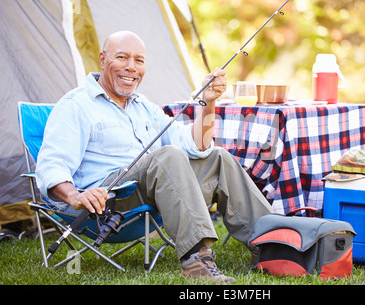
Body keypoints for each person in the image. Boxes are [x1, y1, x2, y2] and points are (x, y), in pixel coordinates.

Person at [36, 31, 274, 283]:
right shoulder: (76, 105)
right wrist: (75, 195)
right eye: (122, 57)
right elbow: (51, 165)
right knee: (167, 156)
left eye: (139, 60)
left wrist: (208, 102)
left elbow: (197, 147)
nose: (131, 67)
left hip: (158, 191)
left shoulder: (143, 106)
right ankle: (197, 260)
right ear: (102, 59)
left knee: (217, 158)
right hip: (108, 203)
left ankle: (274, 243)